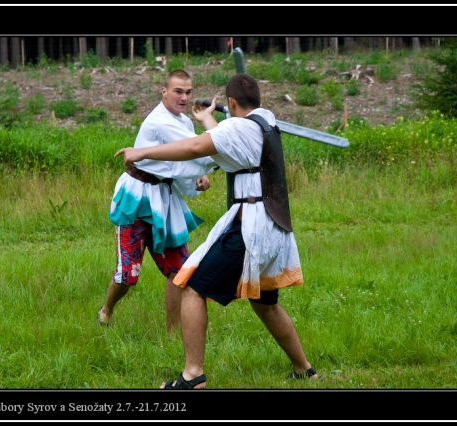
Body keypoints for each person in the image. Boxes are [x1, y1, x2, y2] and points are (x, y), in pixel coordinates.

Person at [114, 73, 318, 389]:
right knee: (265, 303)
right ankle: (304, 369)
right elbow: (225, 138)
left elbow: (196, 146)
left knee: (192, 289)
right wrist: (208, 119)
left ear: (231, 103)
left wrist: (143, 153)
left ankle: (192, 375)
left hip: (250, 230)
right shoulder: (266, 122)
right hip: (274, 228)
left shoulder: (240, 128)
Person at [98, 70, 217, 333]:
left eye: (188, 92)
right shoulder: (159, 121)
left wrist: (199, 177)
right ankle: (106, 310)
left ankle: (172, 334)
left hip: (164, 199)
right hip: (137, 199)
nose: (184, 97)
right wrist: (217, 145)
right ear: (164, 92)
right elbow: (200, 148)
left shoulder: (184, 122)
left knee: (178, 270)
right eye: (178, 91)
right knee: (127, 275)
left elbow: (182, 160)